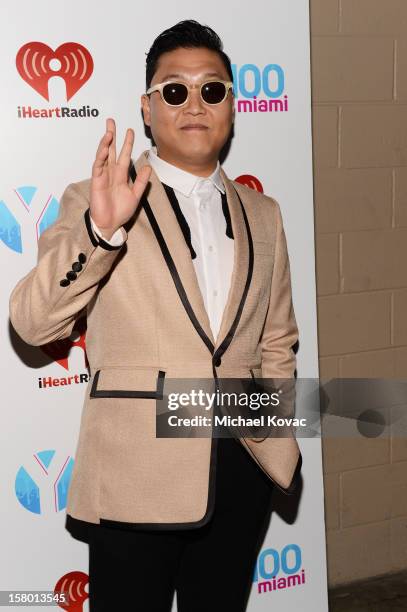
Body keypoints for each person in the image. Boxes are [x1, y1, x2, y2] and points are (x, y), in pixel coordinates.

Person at [9, 19, 301, 611]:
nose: (194, 104)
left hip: (241, 470)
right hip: (134, 481)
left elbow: (278, 340)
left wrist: (272, 444)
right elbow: (33, 323)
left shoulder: (264, 213)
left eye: (211, 90)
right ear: (147, 108)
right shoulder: (94, 201)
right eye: (175, 90)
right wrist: (101, 230)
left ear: (232, 105)